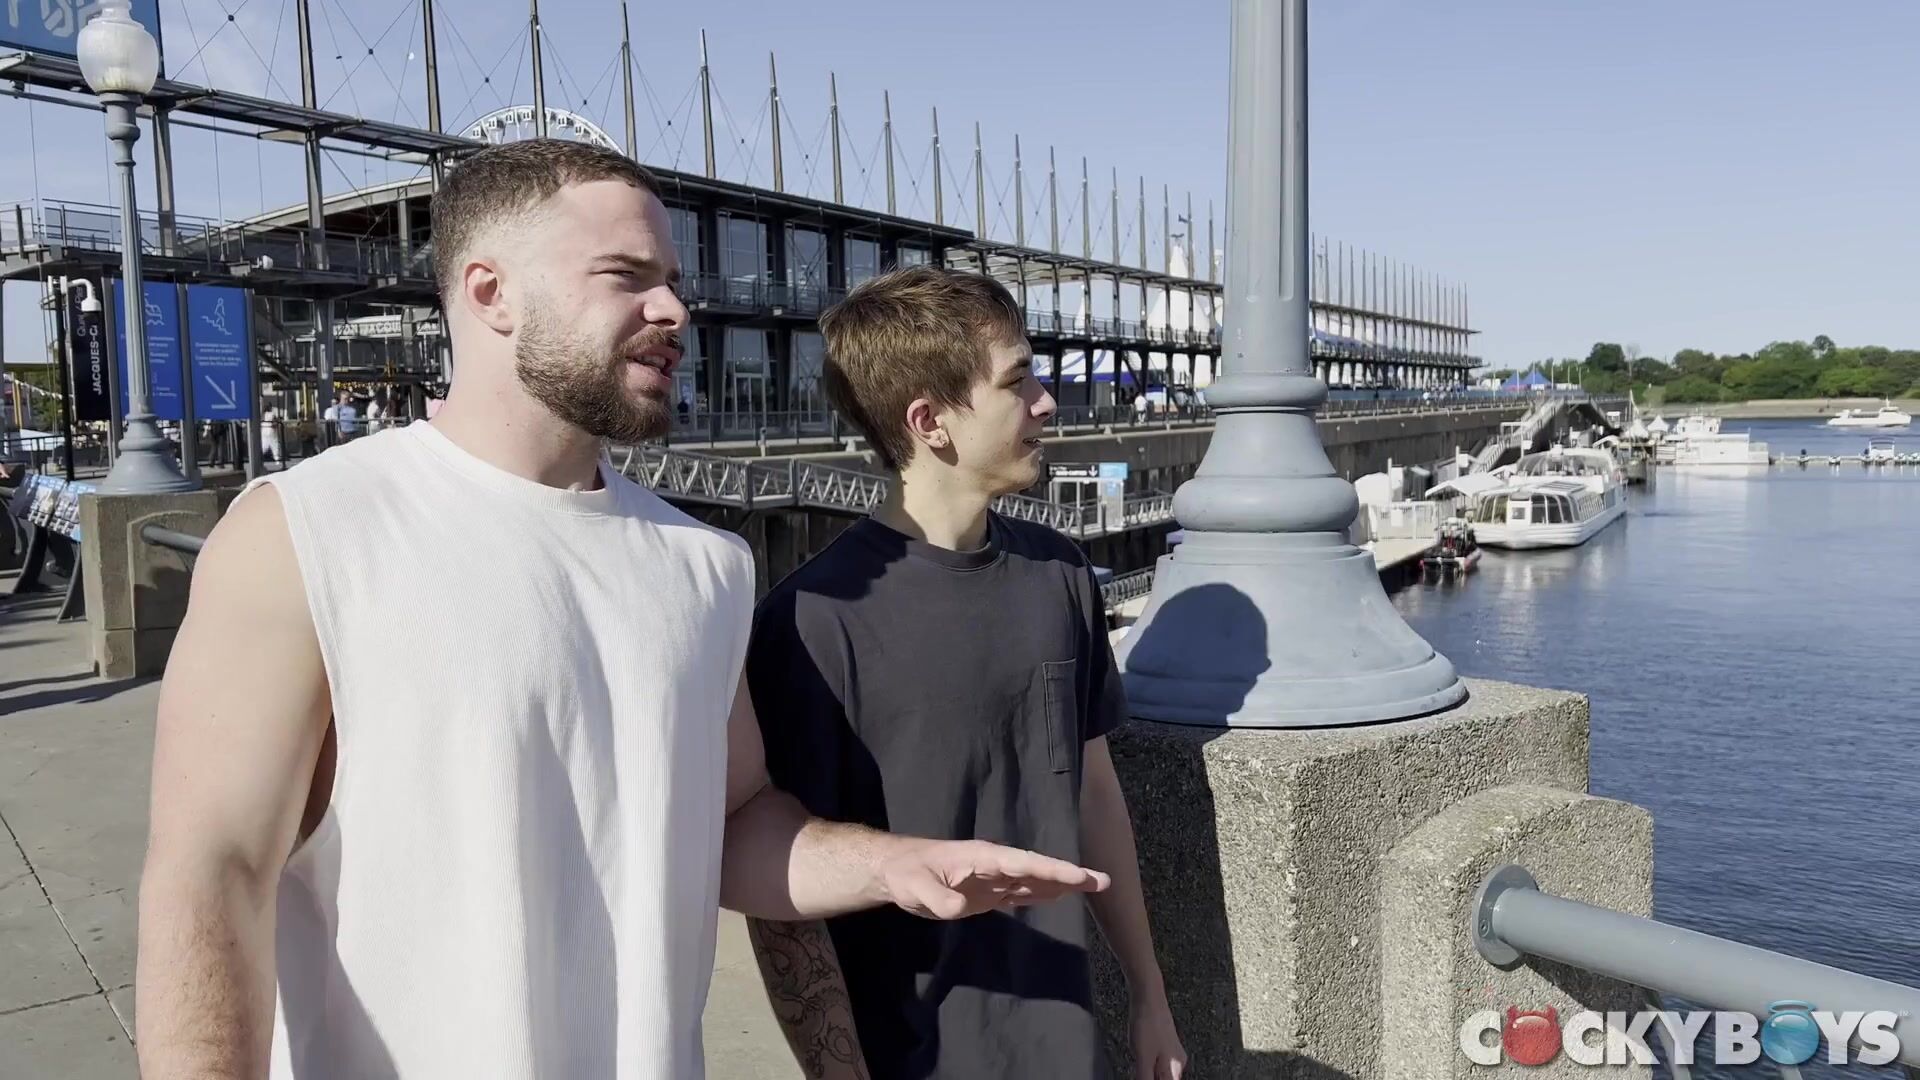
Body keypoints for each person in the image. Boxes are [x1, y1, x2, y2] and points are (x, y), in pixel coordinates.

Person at [134, 141, 1108, 1080]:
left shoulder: (706, 568)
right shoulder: (304, 533)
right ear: (491, 292)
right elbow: (212, 878)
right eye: (626, 276)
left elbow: (737, 824)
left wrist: (894, 866)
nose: (675, 308)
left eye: (673, 280)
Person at [745, 266, 1186, 1080]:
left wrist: (1149, 995)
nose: (1046, 402)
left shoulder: (1061, 575)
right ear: (930, 422)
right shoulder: (809, 624)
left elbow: (1094, 795)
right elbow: (783, 902)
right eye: (1018, 382)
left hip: (1070, 1047)